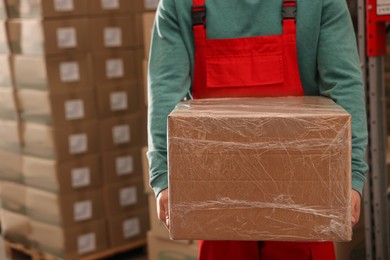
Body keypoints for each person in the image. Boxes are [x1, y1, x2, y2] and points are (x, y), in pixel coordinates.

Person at [147, 0, 368, 259]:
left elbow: (343, 83)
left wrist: (351, 175)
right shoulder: (180, 3)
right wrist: (163, 177)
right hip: (216, 202)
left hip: (306, 196)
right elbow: (164, 90)